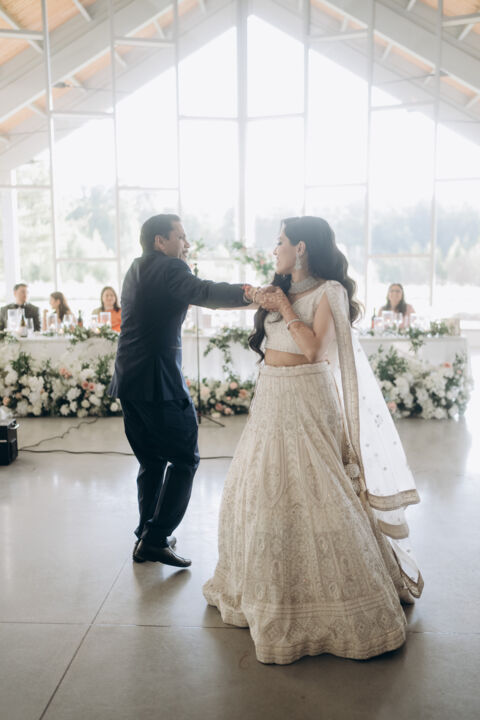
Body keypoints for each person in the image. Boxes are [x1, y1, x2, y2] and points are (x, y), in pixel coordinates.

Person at [203, 216, 424, 665]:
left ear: (301, 247)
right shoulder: (278, 288)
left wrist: (284, 306)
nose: (275, 250)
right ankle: (267, 590)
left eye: (280, 242)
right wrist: (261, 297)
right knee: (263, 488)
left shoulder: (330, 292)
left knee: (320, 489)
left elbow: (315, 350)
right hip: (271, 395)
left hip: (308, 397)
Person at [109, 214, 258, 569]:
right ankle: (156, 539)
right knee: (185, 458)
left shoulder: (137, 268)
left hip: (129, 379)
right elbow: (204, 292)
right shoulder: (170, 268)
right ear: (160, 241)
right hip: (159, 381)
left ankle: (146, 532)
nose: (187, 243)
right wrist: (252, 294)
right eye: (181, 236)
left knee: (151, 460)